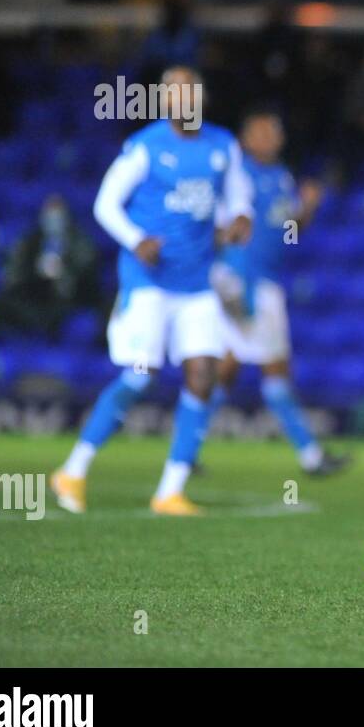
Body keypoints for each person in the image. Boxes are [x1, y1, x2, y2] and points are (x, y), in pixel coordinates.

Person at [50, 66, 252, 516]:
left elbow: (239, 197)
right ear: (164, 103)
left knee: (203, 374)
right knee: (140, 375)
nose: (183, 101)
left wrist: (241, 217)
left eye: (190, 92)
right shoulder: (145, 148)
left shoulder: (224, 147)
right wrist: (136, 238)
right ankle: (73, 468)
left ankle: (170, 490)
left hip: (197, 284)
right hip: (149, 284)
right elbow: (105, 203)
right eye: (173, 94)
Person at [207, 109, 350, 476]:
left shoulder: (282, 177)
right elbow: (222, 228)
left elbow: (288, 233)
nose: (272, 138)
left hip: (266, 281)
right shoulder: (237, 177)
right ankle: (311, 455)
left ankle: (186, 449)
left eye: (275, 131)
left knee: (227, 369)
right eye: (263, 132)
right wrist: (232, 278)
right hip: (247, 283)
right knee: (273, 372)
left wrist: (306, 210)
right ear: (246, 138)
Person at [0, 195, 101, 337]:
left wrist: (64, 271)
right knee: (2, 305)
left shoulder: (80, 241)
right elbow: (14, 272)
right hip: (35, 292)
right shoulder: (30, 241)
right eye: (50, 214)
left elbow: (87, 270)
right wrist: (36, 270)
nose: (54, 219)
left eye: (58, 215)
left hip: (69, 296)